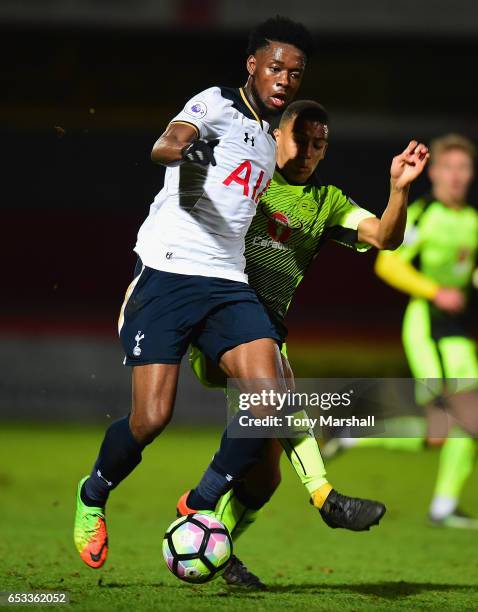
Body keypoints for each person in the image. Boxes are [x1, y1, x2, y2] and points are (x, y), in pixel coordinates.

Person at [73, 15, 312, 570]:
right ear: (252, 65)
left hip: (228, 282)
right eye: (275, 67)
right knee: (151, 419)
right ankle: (92, 495)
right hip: (169, 271)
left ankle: (199, 504)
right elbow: (166, 144)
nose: (284, 79)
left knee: (268, 403)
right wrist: (190, 153)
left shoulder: (277, 135)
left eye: (295, 73)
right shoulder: (217, 104)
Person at [176, 100, 429, 587]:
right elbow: (189, 202)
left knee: (263, 475)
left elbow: (384, 237)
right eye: (302, 140)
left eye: (320, 145)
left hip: (264, 332)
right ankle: (324, 494)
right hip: (215, 318)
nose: (311, 152)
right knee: (280, 380)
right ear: (276, 136)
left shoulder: (326, 201)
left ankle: (215, 545)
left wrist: (398, 189)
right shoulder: (250, 178)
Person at [328, 134, 478, 529]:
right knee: (460, 422)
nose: (457, 176)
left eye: (464, 167)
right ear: (436, 173)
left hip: (459, 333)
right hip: (427, 327)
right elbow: (387, 265)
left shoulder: (472, 221)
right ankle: (443, 506)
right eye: (449, 167)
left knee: (443, 433)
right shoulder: (424, 215)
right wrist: (435, 290)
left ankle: (358, 437)